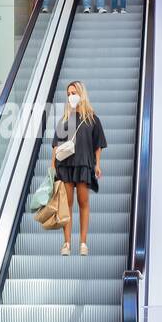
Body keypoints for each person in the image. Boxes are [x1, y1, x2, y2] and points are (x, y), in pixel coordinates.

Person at [51, 81, 106, 257]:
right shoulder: (65, 119)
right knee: (66, 205)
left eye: (73, 92)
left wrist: (97, 164)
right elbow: (56, 145)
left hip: (84, 165)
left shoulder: (92, 118)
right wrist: (52, 167)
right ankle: (66, 243)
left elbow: (98, 145)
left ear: (81, 94)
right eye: (68, 94)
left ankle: (83, 243)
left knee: (83, 203)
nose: (70, 96)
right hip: (65, 167)